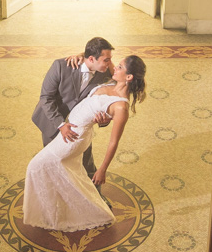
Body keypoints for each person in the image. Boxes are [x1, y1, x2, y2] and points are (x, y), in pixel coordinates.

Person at [23, 56, 147, 232]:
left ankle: (68, 214)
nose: (115, 68)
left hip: (74, 137)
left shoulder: (121, 108)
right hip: (69, 130)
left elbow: (113, 142)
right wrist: (80, 55)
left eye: (120, 67)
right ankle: (60, 208)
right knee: (65, 171)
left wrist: (102, 169)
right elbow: (100, 57)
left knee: (35, 166)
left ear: (129, 77)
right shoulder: (113, 80)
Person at [31, 37, 115, 185]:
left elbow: (108, 101)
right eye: (106, 60)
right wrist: (61, 125)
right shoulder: (60, 66)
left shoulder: (105, 74)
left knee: (87, 164)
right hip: (52, 122)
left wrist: (104, 121)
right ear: (90, 58)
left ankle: (97, 200)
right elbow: (46, 98)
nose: (109, 64)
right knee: (55, 163)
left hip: (81, 125)